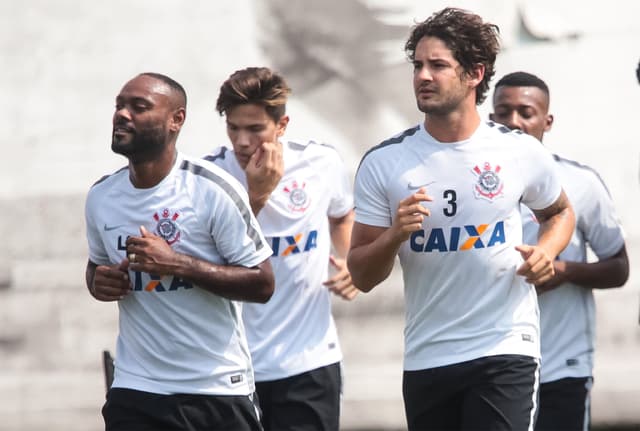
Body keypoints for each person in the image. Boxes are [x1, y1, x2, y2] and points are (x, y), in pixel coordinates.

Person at [347, 8, 577, 431]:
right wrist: (395, 234)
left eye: (437, 65)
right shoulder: (385, 163)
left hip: (505, 348)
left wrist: (546, 251)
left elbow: (559, 212)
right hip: (428, 356)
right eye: (417, 65)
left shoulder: (518, 151)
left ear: (475, 73)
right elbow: (361, 274)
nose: (422, 76)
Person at [84, 72, 275, 431]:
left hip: (215, 389)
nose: (123, 114)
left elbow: (262, 284)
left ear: (177, 120)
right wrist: (100, 282)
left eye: (139, 107)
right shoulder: (101, 197)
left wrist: (177, 263)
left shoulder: (212, 190)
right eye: (119, 106)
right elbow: (95, 269)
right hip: (136, 387)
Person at [205, 66, 357, 431]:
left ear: (282, 125)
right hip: (231, 370)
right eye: (233, 128)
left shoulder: (321, 163)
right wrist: (256, 196)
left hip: (309, 365)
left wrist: (350, 261)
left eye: (255, 128)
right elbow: (212, 261)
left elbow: (342, 215)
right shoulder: (210, 177)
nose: (242, 141)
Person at [490, 71, 629, 431]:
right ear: (490, 118)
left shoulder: (579, 182)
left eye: (526, 112)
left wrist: (561, 270)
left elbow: (618, 268)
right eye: (503, 112)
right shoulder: (475, 185)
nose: (513, 122)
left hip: (561, 366)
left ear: (546, 121)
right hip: (492, 365)